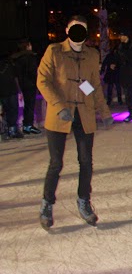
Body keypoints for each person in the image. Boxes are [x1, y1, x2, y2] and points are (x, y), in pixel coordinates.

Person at [37, 15, 114, 230]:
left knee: (86, 161)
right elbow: (43, 80)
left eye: (82, 29)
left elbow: (92, 86)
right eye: (74, 28)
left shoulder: (92, 55)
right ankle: (47, 204)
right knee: (56, 163)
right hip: (59, 114)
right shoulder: (54, 51)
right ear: (68, 30)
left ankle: (84, 201)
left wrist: (104, 111)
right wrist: (60, 106)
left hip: (84, 114)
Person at [11, 38, 41, 134]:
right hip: (29, 85)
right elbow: (32, 72)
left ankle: (22, 125)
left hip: (19, 84)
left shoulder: (15, 58)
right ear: (27, 46)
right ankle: (28, 125)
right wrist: (36, 81)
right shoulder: (30, 56)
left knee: (23, 106)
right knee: (30, 105)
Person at [0, 50, 21, 139]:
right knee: (13, 111)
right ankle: (12, 130)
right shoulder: (11, 66)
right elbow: (15, 78)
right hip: (12, 91)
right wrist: (19, 90)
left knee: (5, 111)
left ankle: (6, 131)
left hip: (2, 92)